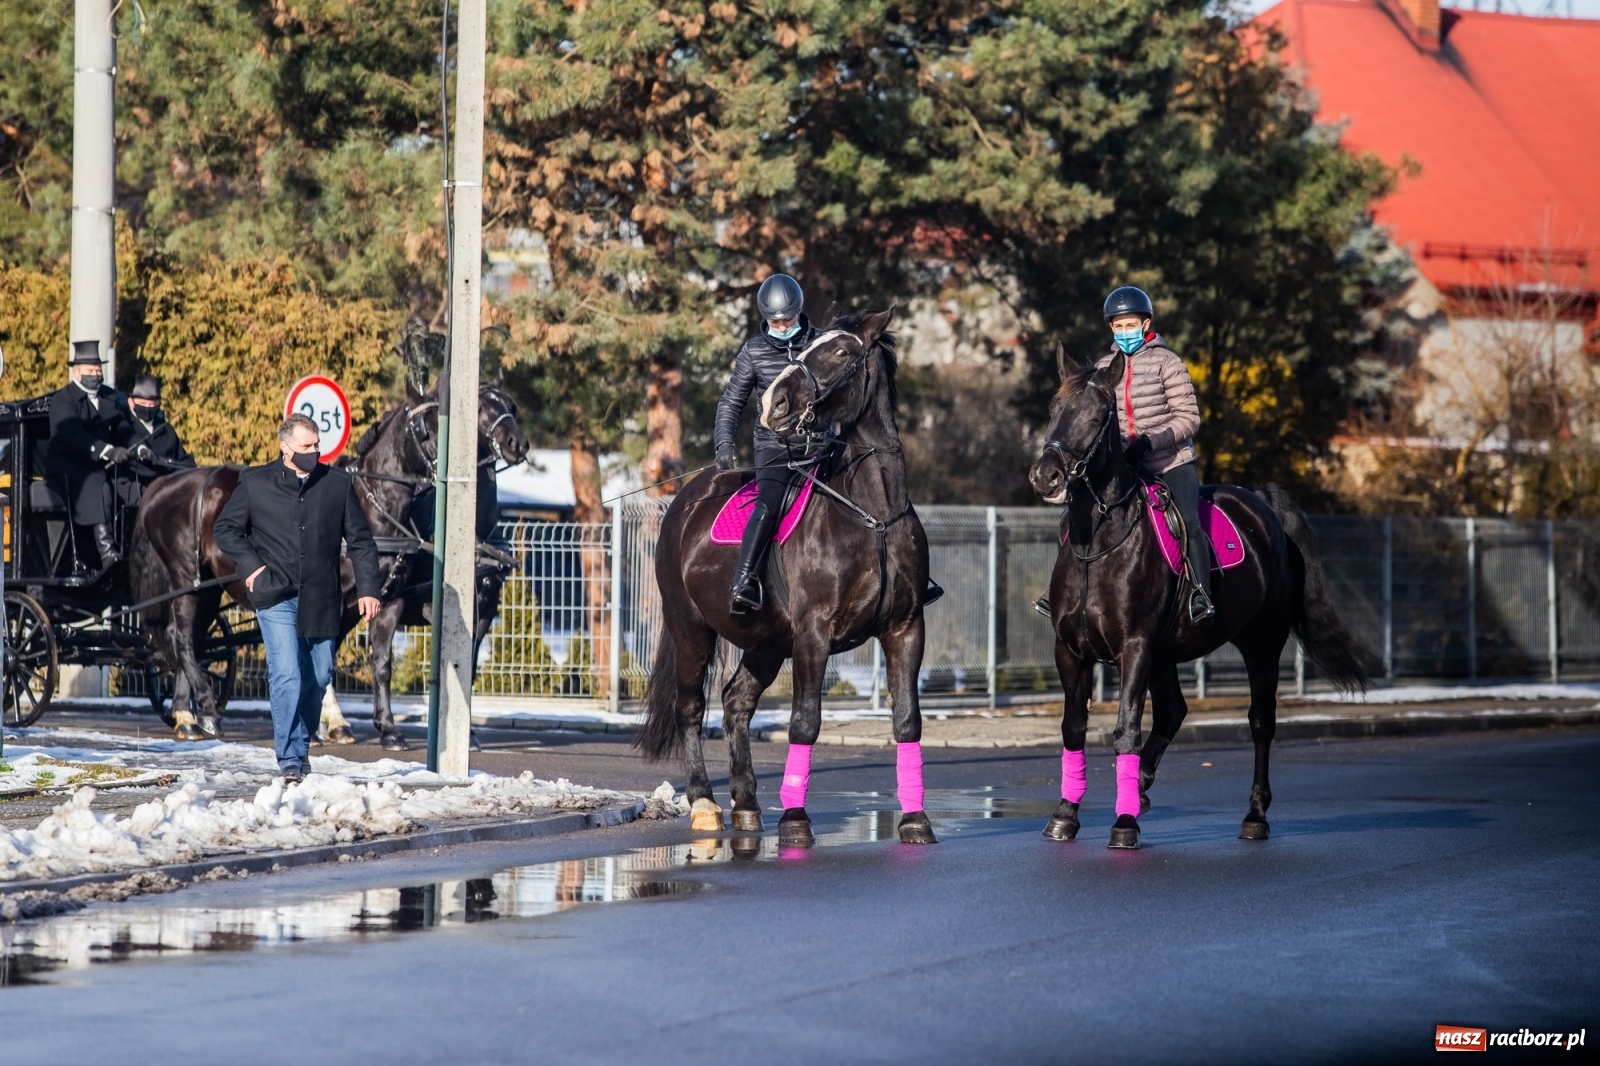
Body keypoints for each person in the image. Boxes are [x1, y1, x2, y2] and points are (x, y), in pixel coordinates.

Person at [214, 413, 382, 780]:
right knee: (287, 672)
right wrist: (251, 565)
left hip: (322, 596)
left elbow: (361, 541)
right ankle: (289, 758)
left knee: (319, 675)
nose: (315, 451)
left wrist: (368, 588)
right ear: (285, 446)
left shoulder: (336, 483)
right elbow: (226, 530)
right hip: (275, 593)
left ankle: (301, 743)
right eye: (307, 446)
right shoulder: (255, 481)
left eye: (317, 445)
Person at [1099, 286, 1215, 624]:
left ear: (1146, 323)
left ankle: (1201, 596)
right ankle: (1065, 589)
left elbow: (1188, 417)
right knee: (1079, 514)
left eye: (1130, 325)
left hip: (1169, 462)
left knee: (1189, 522)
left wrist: (1148, 442)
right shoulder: (1105, 367)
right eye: (1118, 327)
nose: (1124, 333)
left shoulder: (1168, 362)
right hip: (1124, 467)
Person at [714, 273, 818, 613]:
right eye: (774, 321)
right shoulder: (754, 352)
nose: (781, 325)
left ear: (798, 312)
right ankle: (743, 581)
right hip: (775, 449)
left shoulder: (818, 343)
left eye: (787, 319)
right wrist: (723, 441)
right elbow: (731, 402)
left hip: (820, 446)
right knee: (767, 504)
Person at [46, 339, 143, 567]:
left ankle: (137, 548)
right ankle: (107, 551)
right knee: (97, 482)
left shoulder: (108, 399)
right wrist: (107, 451)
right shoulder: (63, 401)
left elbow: (124, 430)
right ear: (77, 373)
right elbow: (75, 436)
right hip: (68, 469)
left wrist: (139, 447)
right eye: (91, 370)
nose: (96, 375)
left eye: (99, 370)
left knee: (132, 484)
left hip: (100, 466)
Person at [124, 374, 195, 489]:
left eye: (152, 405)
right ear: (131, 402)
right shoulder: (125, 427)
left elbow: (183, 460)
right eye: (142, 404)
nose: (147, 408)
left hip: (170, 491)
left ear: (159, 404)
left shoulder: (167, 429)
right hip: (137, 491)